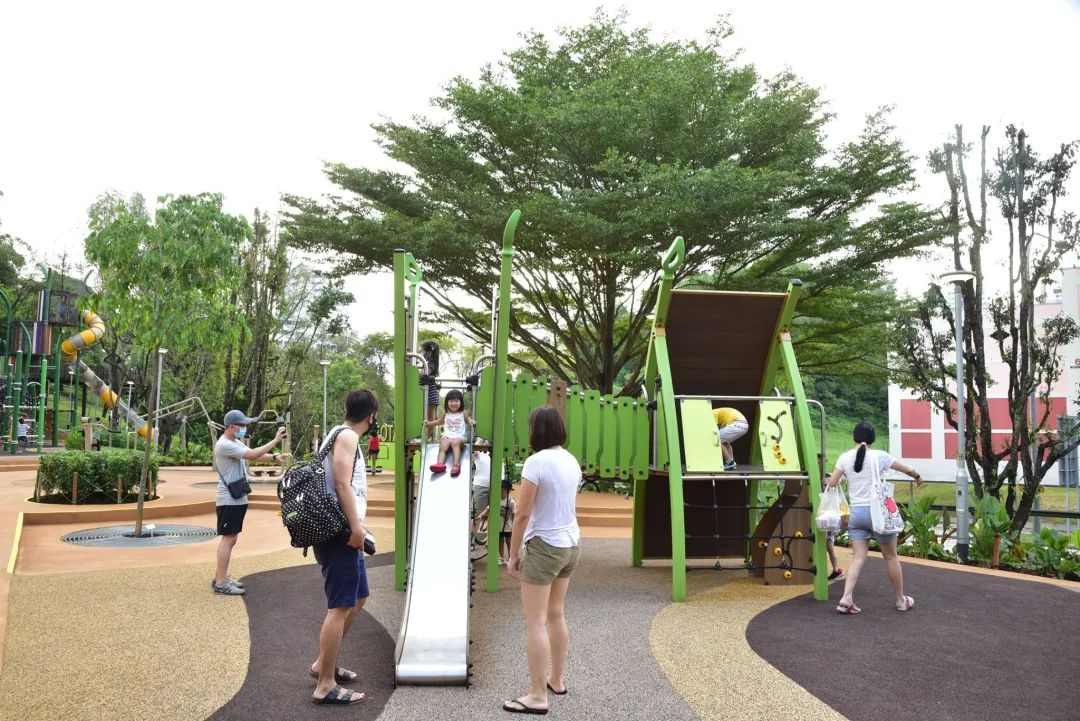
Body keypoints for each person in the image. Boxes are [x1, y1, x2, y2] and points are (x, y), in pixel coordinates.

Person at [505, 406, 581, 715]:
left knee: (535, 621)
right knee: (556, 614)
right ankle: (556, 681)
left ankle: (537, 695)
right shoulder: (571, 460)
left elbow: (522, 514)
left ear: (536, 430)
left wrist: (512, 555)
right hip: (570, 544)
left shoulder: (535, 462)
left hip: (544, 546)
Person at [309, 389, 378, 706]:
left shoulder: (340, 434)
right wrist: (355, 527)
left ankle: (324, 663)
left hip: (344, 531)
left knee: (359, 598)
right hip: (340, 533)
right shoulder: (348, 436)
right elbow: (340, 483)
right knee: (339, 607)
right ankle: (325, 685)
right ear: (371, 416)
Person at [826, 420, 922, 614]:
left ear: (854, 436)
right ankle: (901, 600)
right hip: (878, 514)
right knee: (890, 557)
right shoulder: (880, 456)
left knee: (858, 557)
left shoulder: (844, 457)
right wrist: (917, 477)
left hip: (856, 514)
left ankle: (846, 598)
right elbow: (908, 470)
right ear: (872, 439)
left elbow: (833, 482)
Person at [212, 410, 287, 595]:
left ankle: (220, 576)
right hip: (228, 499)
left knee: (231, 538)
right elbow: (252, 454)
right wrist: (275, 440)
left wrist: (274, 457)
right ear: (232, 426)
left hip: (235, 498)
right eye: (242, 425)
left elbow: (253, 455)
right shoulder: (224, 444)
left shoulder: (233, 442)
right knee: (228, 539)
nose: (244, 428)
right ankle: (221, 583)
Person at [425, 389, 475, 477]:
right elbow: (439, 421)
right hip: (447, 436)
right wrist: (429, 424)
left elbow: (468, 421)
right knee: (443, 445)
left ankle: (456, 465)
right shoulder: (445, 412)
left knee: (455, 444)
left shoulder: (463, 413)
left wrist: (471, 422)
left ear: (460, 402)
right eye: (451, 401)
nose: (454, 403)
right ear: (447, 402)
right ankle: (440, 464)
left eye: (456, 401)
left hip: (459, 437)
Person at [421, 340, 440, 441]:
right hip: (426, 391)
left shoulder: (431, 363)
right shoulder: (427, 362)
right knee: (425, 415)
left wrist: (414, 372)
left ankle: (429, 437)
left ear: (429, 352)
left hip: (430, 391)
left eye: (424, 351)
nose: (423, 353)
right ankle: (427, 435)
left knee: (430, 417)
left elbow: (425, 374)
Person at [472, 450, 492, 542]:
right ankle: (472, 539)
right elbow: (473, 453)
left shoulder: (493, 452)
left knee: (494, 512)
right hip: (481, 485)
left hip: (495, 484)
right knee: (478, 513)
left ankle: (490, 539)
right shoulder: (479, 453)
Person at [498, 478, 516, 566]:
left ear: (508, 492)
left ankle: (510, 557)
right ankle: (501, 557)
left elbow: (513, 513)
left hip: (508, 526)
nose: (501, 493)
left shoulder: (511, 501)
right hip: (499, 525)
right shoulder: (497, 500)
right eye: (500, 491)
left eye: (503, 491)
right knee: (500, 541)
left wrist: (514, 525)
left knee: (509, 541)